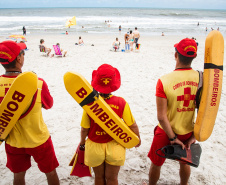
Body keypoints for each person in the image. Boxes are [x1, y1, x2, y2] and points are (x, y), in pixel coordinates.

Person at [0, 40, 60, 185]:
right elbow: (49, 104)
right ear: (19, 59)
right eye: (22, 53)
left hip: (14, 142)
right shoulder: (37, 83)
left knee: (18, 177)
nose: (23, 56)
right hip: (39, 139)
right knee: (50, 172)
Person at [147, 38, 199, 185]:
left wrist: (172, 138)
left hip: (166, 131)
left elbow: (162, 117)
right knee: (185, 163)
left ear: (176, 55)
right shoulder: (201, 79)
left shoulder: (164, 80)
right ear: (194, 56)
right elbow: (205, 113)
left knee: (156, 163)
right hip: (188, 131)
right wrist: (194, 136)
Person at [79, 64, 141, 185]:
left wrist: (82, 142)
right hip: (115, 146)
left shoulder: (89, 104)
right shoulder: (121, 102)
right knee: (112, 179)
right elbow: (132, 125)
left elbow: (84, 128)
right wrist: (137, 139)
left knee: (98, 178)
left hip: (95, 146)